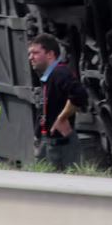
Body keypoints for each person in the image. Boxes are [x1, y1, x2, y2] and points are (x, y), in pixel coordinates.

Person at [28, 33, 88, 170]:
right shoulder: (48, 76)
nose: (31, 57)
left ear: (50, 54)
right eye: (30, 53)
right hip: (49, 143)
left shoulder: (60, 73)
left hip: (61, 146)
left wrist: (62, 117)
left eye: (35, 53)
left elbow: (80, 95)